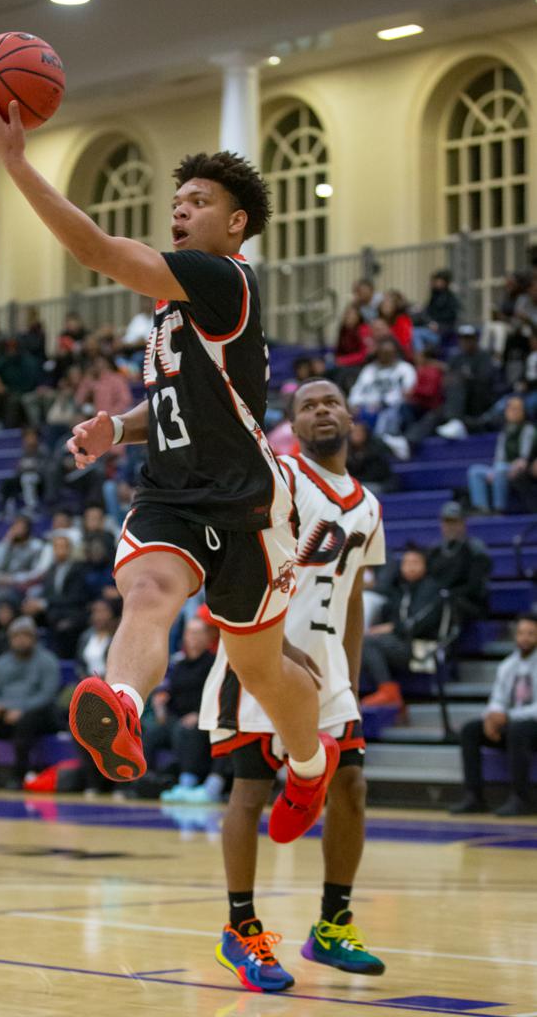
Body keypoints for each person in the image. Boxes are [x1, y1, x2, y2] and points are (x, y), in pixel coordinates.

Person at [0, 84, 331, 845]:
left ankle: (307, 763)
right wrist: (120, 430)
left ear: (235, 225)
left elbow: (96, 251)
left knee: (259, 668)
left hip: (246, 503)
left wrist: (16, 164)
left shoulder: (221, 278)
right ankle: (124, 705)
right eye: (178, 200)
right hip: (172, 491)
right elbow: (183, 402)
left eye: (197, 201)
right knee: (148, 591)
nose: (180, 209)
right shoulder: (175, 302)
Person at [199, 378, 386, 992]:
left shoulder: (368, 505)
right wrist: (272, 645)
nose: (321, 411)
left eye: (331, 401)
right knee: (250, 792)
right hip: (261, 655)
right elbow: (229, 560)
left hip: (327, 671)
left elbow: (354, 595)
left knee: (351, 786)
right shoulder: (279, 477)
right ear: (294, 423)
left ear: (350, 417)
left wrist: (349, 678)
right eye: (308, 405)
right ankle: (241, 929)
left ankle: (332, 926)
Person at [451, 614, 537, 818]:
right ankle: (474, 797)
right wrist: (492, 716)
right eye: (521, 633)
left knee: (518, 729)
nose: (524, 638)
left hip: (531, 726)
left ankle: (521, 799)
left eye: (531, 634)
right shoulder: (508, 665)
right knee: (470, 730)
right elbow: (497, 698)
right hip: (514, 725)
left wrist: (507, 716)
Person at [0, 616, 60, 790]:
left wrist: (21, 710)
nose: (20, 640)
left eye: (25, 635)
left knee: (26, 723)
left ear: (34, 638)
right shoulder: (1, 663)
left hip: (38, 714)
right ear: (10, 639)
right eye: (16, 636)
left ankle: (18, 776)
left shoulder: (47, 660)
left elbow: (47, 694)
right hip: (6, 714)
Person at [360, 548, 443, 708]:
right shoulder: (399, 589)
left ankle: (388, 690)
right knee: (364, 641)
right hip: (402, 643)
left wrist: (392, 628)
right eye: (406, 563)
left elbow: (420, 623)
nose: (410, 567)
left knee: (368, 642)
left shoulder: (432, 589)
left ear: (425, 565)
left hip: (422, 646)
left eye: (415, 562)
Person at [142, 617, 217, 796]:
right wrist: (161, 706)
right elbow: (169, 694)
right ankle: (146, 779)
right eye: (190, 633)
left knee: (183, 730)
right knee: (151, 733)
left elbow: (217, 695)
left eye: (198, 633)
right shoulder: (178, 664)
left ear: (208, 638)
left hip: (202, 719)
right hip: (176, 717)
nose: (194, 638)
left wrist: (199, 714)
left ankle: (187, 780)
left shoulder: (213, 663)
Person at [426, 502, 492, 623]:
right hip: (439, 601)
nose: (450, 526)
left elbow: (475, 587)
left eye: (454, 522)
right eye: (447, 522)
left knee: (448, 605)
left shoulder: (475, 549)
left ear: (463, 523)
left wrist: (447, 594)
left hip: (468, 603)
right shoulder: (434, 550)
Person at [467, 396, 536, 513]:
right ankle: (481, 508)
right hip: (502, 467)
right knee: (474, 471)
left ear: (523, 411)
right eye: (509, 408)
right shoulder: (505, 431)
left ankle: (499, 509)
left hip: (520, 468)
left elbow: (524, 458)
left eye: (516, 409)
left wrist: (504, 468)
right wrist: (494, 470)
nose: (512, 412)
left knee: (499, 470)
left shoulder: (528, 429)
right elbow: (499, 457)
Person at [347, 338, 417, 436]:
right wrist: (354, 404)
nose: (386, 355)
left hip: (392, 409)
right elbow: (357, 389)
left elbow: (406, 394)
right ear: (378, 353)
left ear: (396, 352)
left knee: (389, 415)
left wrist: (382, 404)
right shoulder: (369, 369)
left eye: (389, 352)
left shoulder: (405, 369)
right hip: (365, 409)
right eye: (383, 352)